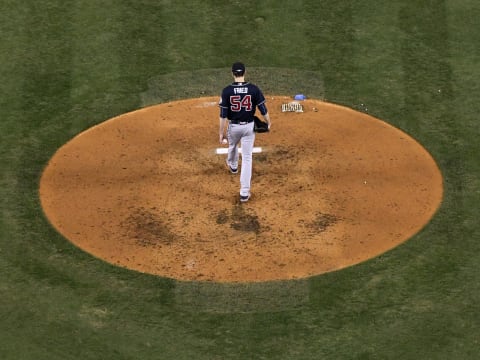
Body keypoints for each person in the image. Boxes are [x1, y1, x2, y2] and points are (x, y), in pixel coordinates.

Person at [218, 62, 271, 202]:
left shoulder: (227, 91)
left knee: (232, 145)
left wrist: (220, 133)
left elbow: (223, 115)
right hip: (249, 127)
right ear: (244, 72)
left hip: (234, 127)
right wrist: (268, 122)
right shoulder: (253, 89)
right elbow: (263, 109)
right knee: (247, 158)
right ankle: (244, 193)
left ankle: (233, 166)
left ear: (232, 73)